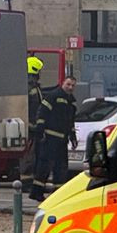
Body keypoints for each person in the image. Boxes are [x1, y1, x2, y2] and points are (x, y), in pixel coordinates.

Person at [30, 75, 78, 203]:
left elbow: (70, 121)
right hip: (50, 137)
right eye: (68, 84)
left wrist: (73, 136)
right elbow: (42, 112)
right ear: (62, 83)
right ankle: (36, 192)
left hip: (62, 140)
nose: (70, 87)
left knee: (61, 167)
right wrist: (40, 130)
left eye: (73, 85)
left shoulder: (72, 101)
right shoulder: (53, 96)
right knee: (45, 165)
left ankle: (58, 194)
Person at [21, 56, 44, 177]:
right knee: (29, 156)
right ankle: (25, 182)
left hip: (33, 127)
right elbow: (33, 108)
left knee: (33, 155)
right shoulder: (31, 88)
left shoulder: (33, 87)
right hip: (31, 128)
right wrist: (35, 126)